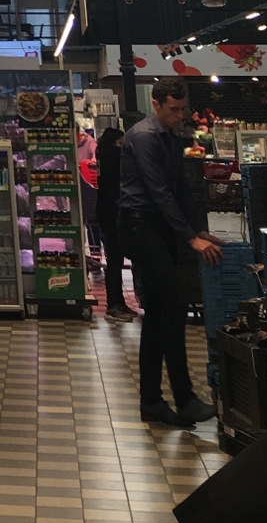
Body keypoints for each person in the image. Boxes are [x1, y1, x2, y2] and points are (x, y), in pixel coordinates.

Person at [121, 80, 224, 426]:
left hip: (157, 226)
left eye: (182, 109)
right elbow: (160, 192)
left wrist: (197, 229)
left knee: (161, 312)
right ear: (156, 104)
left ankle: (153, 401)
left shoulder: (170, 137)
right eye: (173, 110)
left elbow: (181, 189)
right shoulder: (145, 136)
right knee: (174, 304)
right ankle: (183, 398)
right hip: (139, 225)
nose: (179, 116)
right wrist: (191, 239)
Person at [96, 124, 134, 320]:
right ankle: (114, 304)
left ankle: (118, 303)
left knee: (115, 260)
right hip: (112, 215)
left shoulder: (103, 156)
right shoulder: (113, 156)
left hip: (107, 214)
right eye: (121, 143)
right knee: (114, 261)